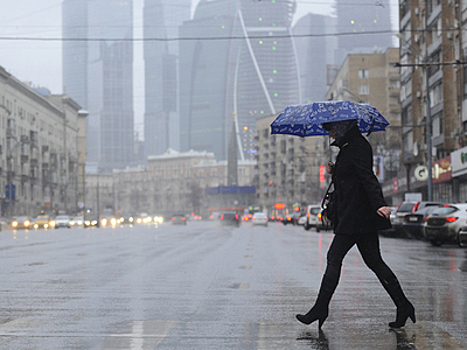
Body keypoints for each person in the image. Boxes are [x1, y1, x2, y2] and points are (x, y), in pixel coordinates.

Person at [296, 119, 415, 329]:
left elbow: (367, 176)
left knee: (334, 257)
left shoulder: (357, 146)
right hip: (358, 216)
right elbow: (352, 176)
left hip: (356, 216)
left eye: (332, 129)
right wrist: (337, 170)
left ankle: (320, 308)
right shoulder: (349, 146)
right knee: (375, 262)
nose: (331, 134)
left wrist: (380, 203)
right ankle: (403, 305)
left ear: (342, 127)